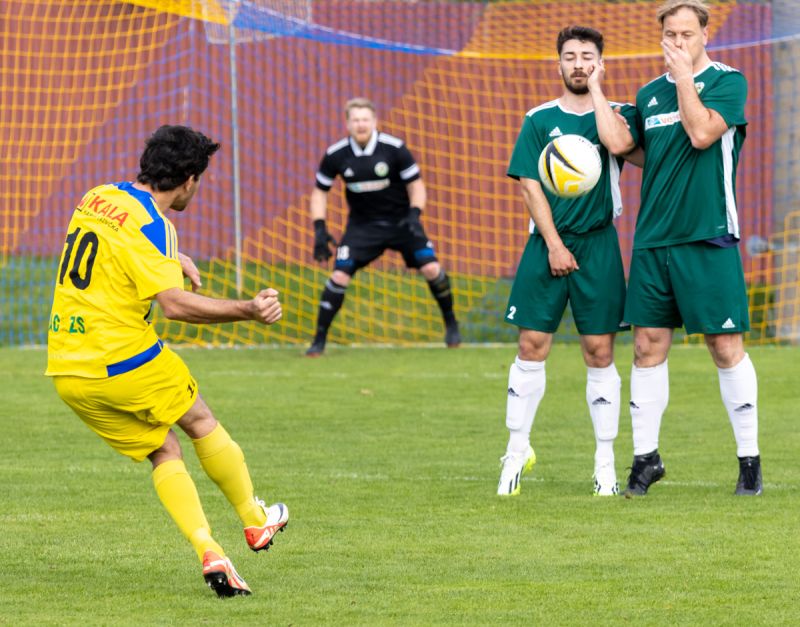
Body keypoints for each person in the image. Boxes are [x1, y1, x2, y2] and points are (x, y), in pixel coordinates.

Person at [45, 125, 289, 598]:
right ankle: (256, 521)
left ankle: (209, 550)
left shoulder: (97, 196)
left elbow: (115, 247)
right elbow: (174, 306)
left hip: (68, 370)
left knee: (164, 449)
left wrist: (173, 258)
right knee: (200, 420)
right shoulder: (158, 226)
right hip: (123, 358)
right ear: (189, 179)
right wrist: (248, 311)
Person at [619, 0, 761, 497]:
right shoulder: (647, 94)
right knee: (645, 347)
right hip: (653, 239)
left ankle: (749, 463)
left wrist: (683, 78)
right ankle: (645, 461)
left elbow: (701, 134)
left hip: (708, 234)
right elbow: (641, 153)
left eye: (686, 34)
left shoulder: (729, 81)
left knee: (724, 347)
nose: (676, 43)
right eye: (669, 35)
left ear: (705, 35)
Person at [497, 26, 639, 497]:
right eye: (571, 57)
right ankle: (516, 451)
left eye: (588, 57)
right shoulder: (538, 119)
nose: (579, 64)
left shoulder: (617, 116)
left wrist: (599, 92)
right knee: (532, 344)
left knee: (599, 351)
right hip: (547, 244)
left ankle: (604, 462)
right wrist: (555, 244)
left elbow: (626, 151)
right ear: (557, 64)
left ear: (601, 63)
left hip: (599, 245)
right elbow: (529, 183)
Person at [306, 97, 461, 356]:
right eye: (355, 120)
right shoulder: (336, 154)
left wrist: (414, 214)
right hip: (362, 228)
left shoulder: (394, 148)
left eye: (365, 119)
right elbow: (319, 192)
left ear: (375, 121)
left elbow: (416, 185)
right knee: (339, 275)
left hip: (402, 223)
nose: (361, 124)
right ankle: (318, 341)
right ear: (347, 123)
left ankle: (451, 324)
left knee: (432, 268)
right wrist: (319, 229)